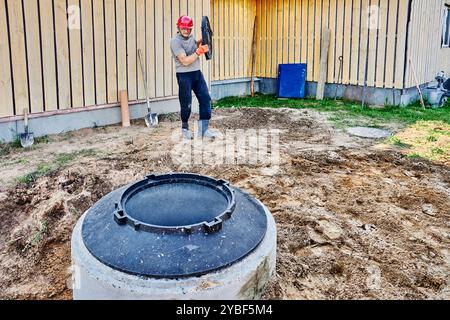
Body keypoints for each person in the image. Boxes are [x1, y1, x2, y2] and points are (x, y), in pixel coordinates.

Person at [170, 15, 217, 140]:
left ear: (191, 29)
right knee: (186, 103)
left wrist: (204, 39)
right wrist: (199, 52)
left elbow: (193, 45)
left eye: (188, 28)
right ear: (179, 27)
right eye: (183, 28)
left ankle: (204, 130)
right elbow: (184, 61)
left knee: (205, 98)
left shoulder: (191, 37)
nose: (186, 30)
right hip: (184, 76)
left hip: (197, 74)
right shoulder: (175, 42)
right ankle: (185, 129)